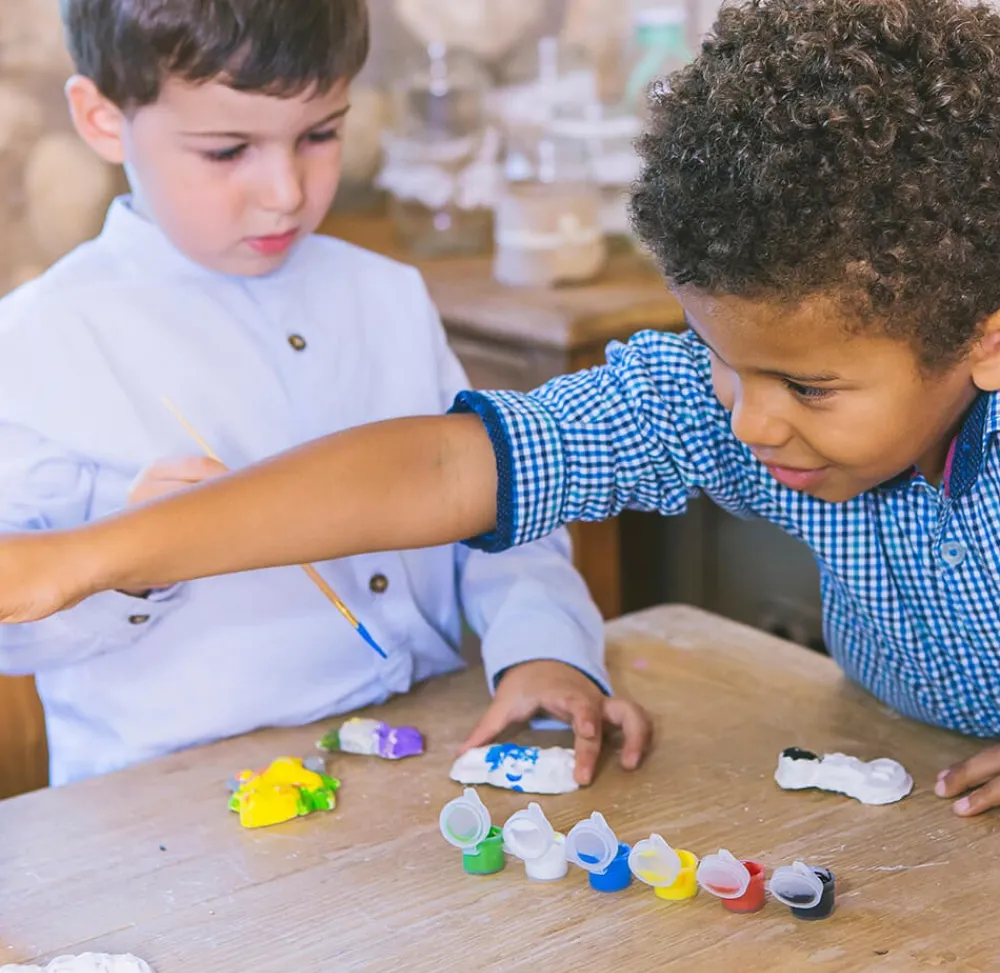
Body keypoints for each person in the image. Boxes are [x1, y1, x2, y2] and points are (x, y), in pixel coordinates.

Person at [6, 0, 996, 812]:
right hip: (893, 759)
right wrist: (90, 558)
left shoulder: (379, 295)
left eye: (808, 386)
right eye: (720, 359)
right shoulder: (705, 404)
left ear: (983, 340)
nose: (747, 422)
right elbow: (450, 469)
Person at [0, 0, 651, 786]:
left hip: (426, 749)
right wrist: (128, 570)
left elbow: (501, 500)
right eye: (227, 150)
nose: (284, 191)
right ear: (103, 119)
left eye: (320, 134)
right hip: (179, 804)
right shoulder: (36, 341)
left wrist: (544, 648)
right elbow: (16, 632)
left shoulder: (386, 295)